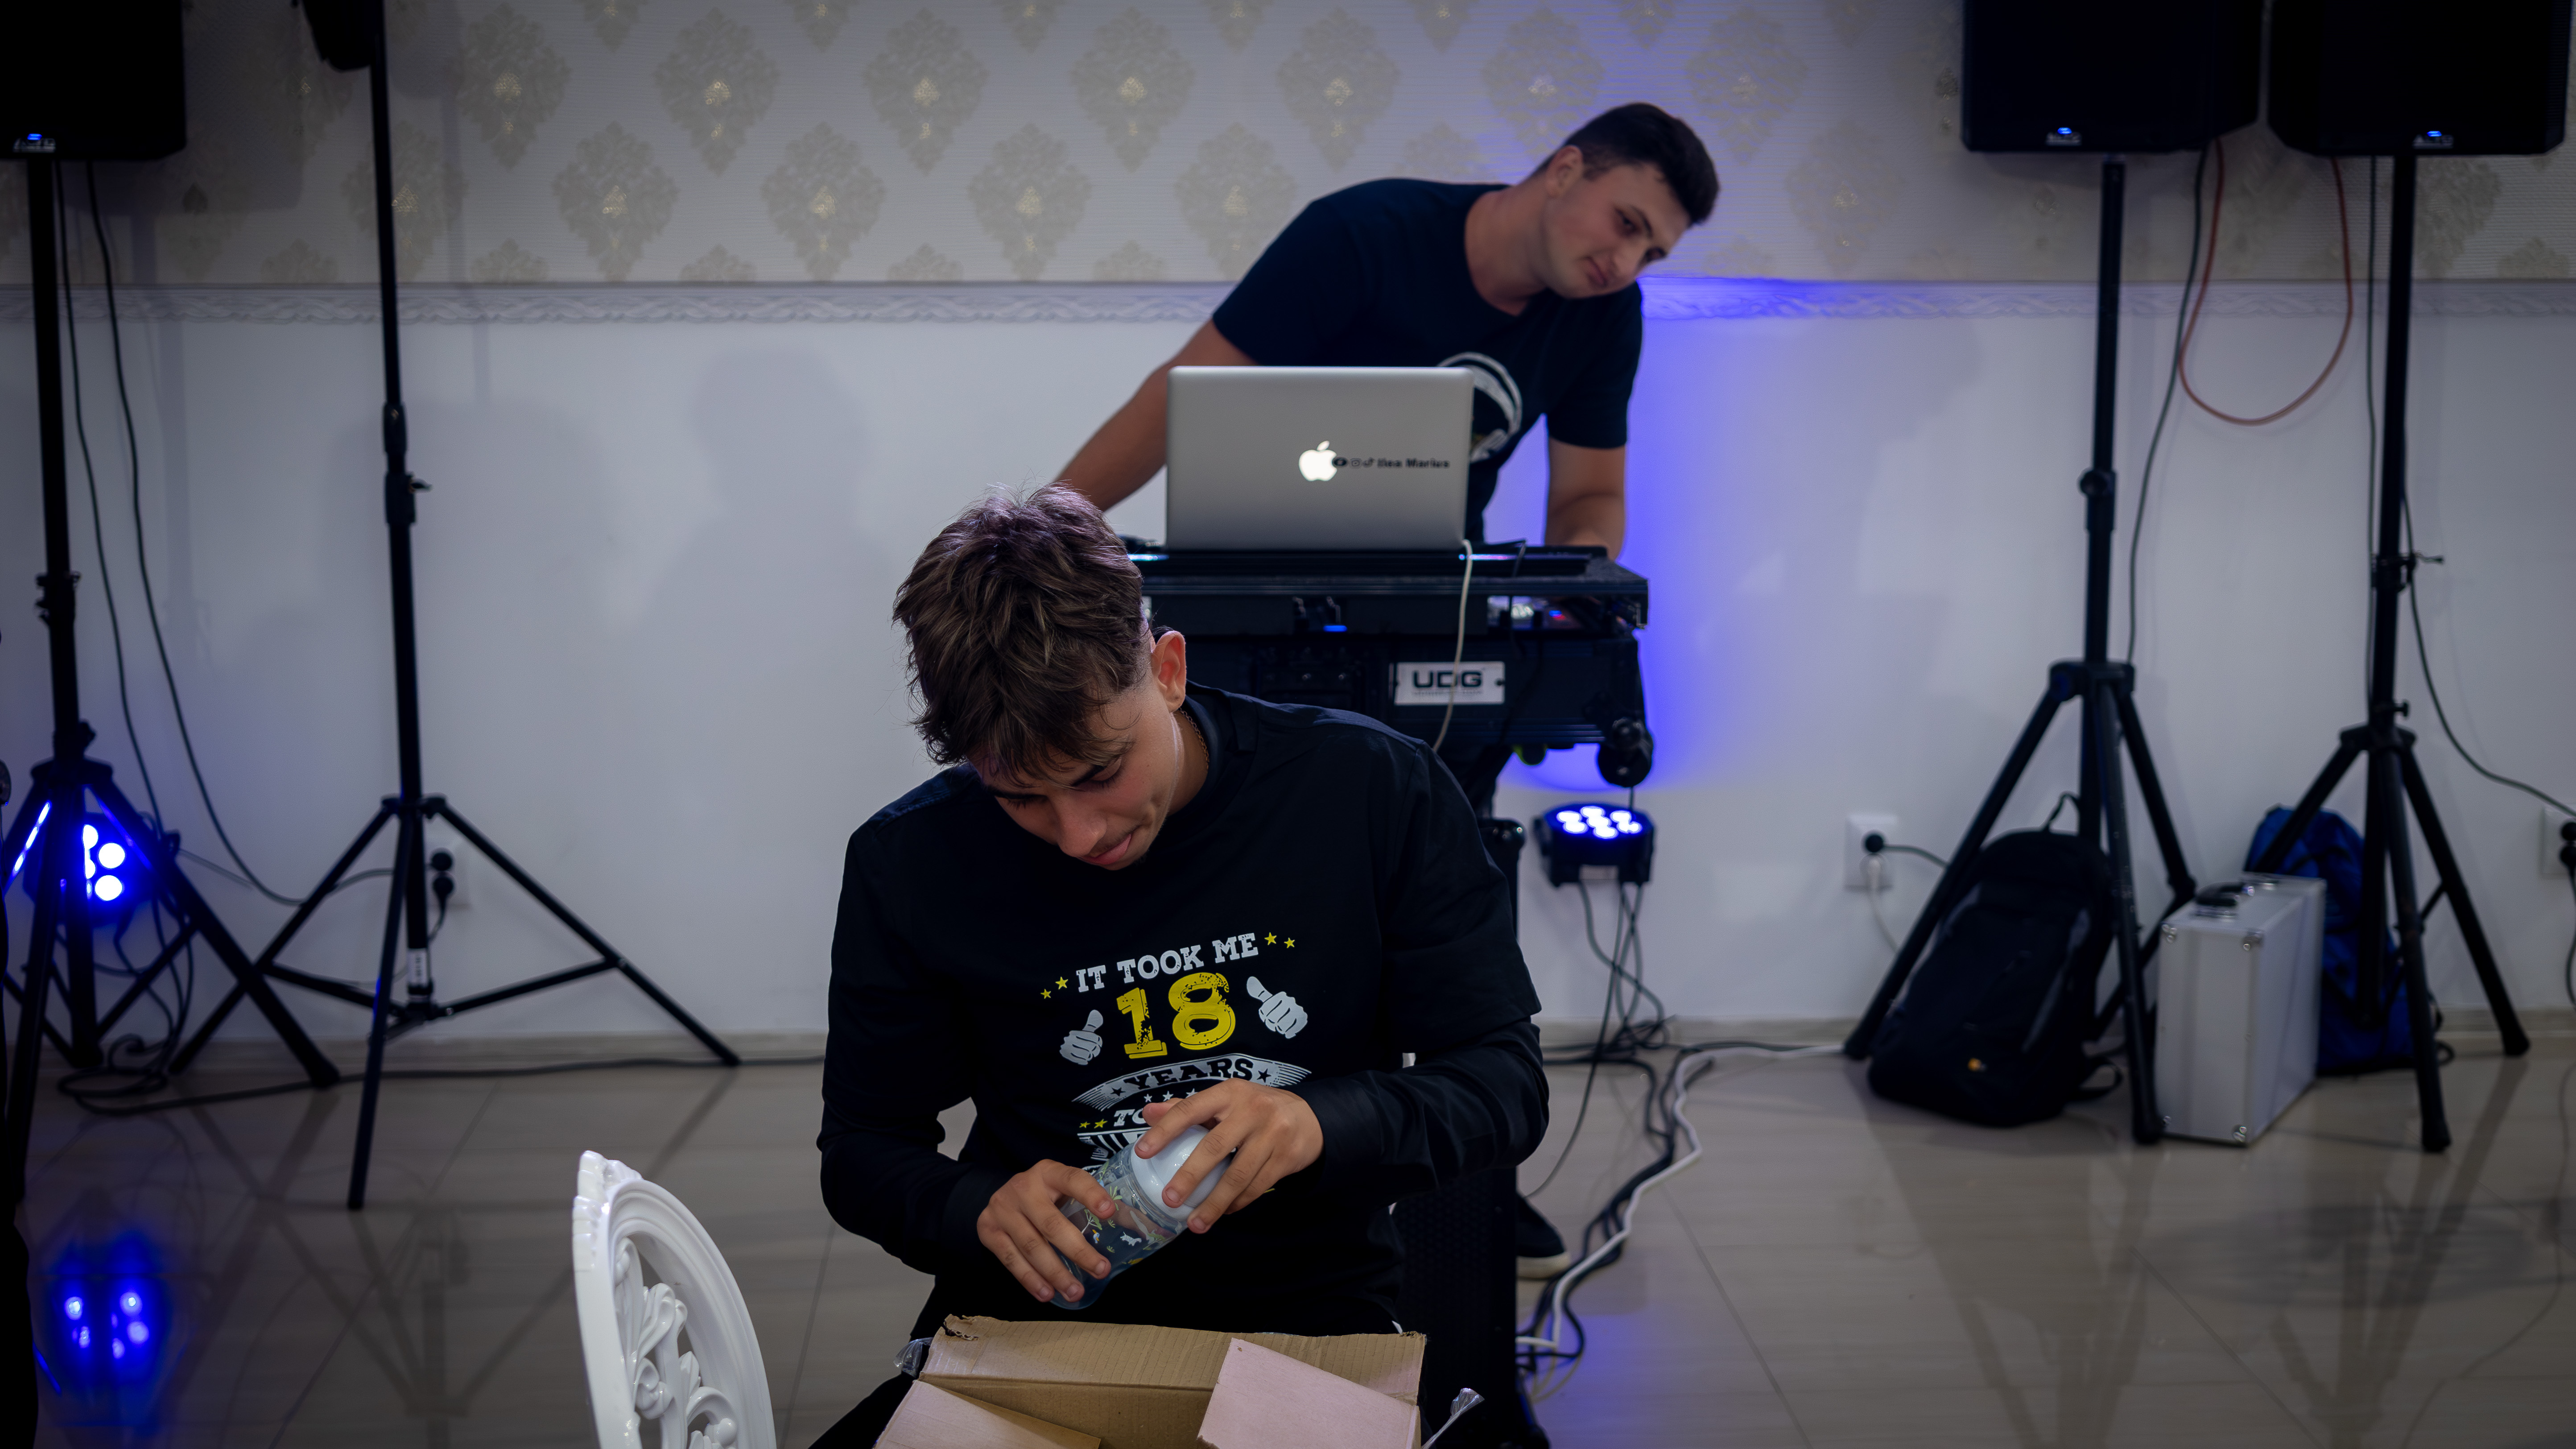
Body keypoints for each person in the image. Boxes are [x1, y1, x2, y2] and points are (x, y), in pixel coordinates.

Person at [813, 486, 1549, 1442]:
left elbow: (1502, 1084)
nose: (1079, 835)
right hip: (1037, 1325)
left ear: (1167, 670)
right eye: (1021, 797)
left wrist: (1316, 1121)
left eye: (1099, 772)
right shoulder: (911, 861)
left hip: (1306, 1312)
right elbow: (864, 1149)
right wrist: (973, 1206)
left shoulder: (1368, 790)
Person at [1058, 102, 1720, 556]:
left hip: (1439, 597)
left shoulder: (1608, 314)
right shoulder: (1360, 237)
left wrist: (1574, 589)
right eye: (1627, 225)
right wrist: (1034, 540)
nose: (1625, 265)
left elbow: (1590, 494)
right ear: (1566, 171)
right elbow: (1178, 405)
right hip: (1255, 574)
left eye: (1651, 255)